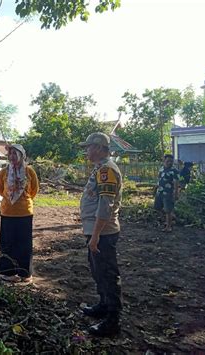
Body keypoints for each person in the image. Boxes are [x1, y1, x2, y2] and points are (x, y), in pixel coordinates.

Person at [79, 132, 123, 337]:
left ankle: (113, 321)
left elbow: (106, 206)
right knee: (98, 272)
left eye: (88, 147)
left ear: (97, 147)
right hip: (96, 231)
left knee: (107, 274)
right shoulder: (100, 168)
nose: (86, 151)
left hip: (103, 233)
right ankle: (103, 306)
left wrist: (95, 235)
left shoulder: (107, 170)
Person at [0, 144, 39, 283]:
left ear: (22, 155)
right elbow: (0, 190)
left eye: (15, 154)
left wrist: (23, 202)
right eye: (10, 154)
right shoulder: (3, 172)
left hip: (24, 213)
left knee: (24, 244)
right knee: (7, 243)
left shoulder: (29, 171)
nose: (12, 157)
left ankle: (25, 273)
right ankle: (6, 273)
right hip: (7, 212)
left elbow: (34, 190)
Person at [154, 154, 179, 232]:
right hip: (160, 192)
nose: (169, 163)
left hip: (168, 193)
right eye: (168, 161)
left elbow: (176, 183)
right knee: (157, 207)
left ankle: (168, 226)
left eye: (171, 161)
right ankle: (170, 218)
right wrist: (155, 188)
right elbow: (159, 179)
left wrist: (176, 193)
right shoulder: (161, 169)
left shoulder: (174, 171)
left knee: (168, 210)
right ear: (164, 161)